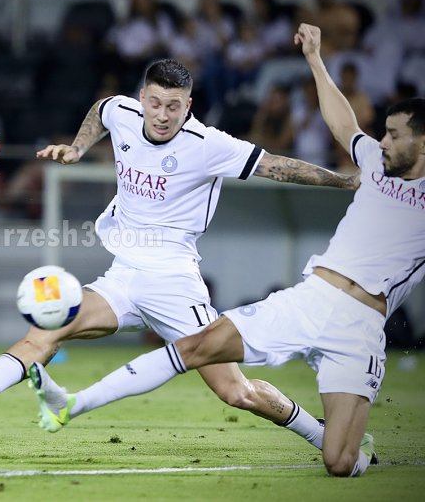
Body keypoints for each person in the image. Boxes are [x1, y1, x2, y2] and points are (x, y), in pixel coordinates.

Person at [28, 24, 425, 478]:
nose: (383, 143)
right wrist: (315, 58)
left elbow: (276, 164)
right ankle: (74, 403)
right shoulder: (376, 162)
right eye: (385, 134)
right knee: (196, 346)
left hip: (361, 326)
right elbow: (343, 124)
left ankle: (350, 445)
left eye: (394, 135)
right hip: (311, 298)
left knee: (338, 461)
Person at [0, 57, 359, 454]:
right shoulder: (124, 112)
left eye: (174, 106)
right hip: (124, 277)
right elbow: (101, 110)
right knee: (51, 325)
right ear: (142, 97)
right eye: (155, 102)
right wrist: (77, 147)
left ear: (189, 105)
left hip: (174, 283)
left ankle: (321, 434)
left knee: (235, 392)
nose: (162, 115)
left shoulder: (209, 144)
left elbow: (277, 166)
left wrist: (345, 182)